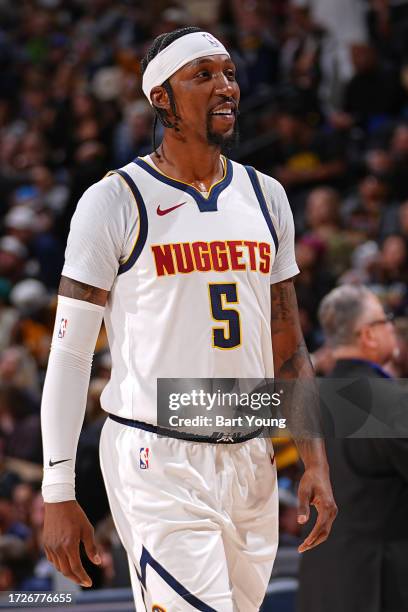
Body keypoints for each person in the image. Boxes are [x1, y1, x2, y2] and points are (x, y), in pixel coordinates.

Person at [41, 27, 336, 611]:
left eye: (228, 72)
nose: (225, 86)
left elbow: (288, 344)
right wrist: (58, 489)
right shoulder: (115, 200)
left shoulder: (266, 196)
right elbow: (72, 353)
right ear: (161, 98)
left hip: (250, 456)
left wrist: (316, 459)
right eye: (202, 75)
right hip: (158, 457)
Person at [298, 284, 408, 612]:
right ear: (368, 334)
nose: (392, 327)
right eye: (386, 319)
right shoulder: (389, 400)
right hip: (378, 584)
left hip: (320, 581)